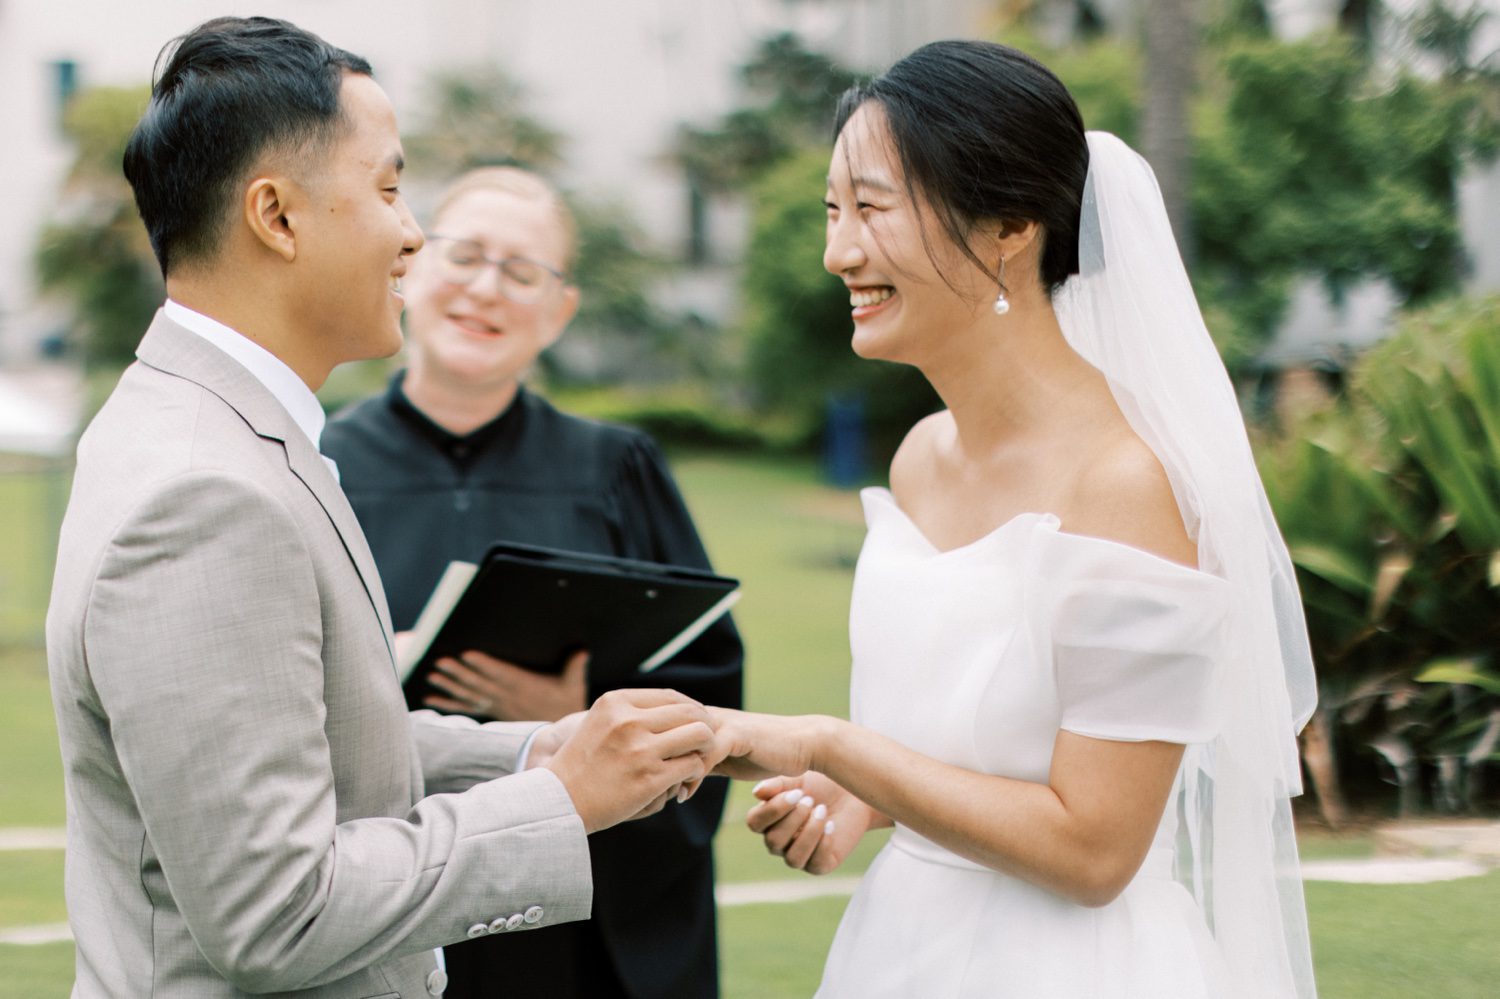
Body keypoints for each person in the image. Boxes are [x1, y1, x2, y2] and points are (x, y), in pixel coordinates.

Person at [46, 17, 717, 998]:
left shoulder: (220, 424)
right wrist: (557, 802)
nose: (413, 237)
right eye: (391, 189)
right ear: (277, 216)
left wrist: (532, 746)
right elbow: (277, 912)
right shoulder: (204, 493)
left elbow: (320, 741)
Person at [709, 40, 1319, 998]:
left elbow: (1093, 849)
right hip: (897, 951)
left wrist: (834, 747)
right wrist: (861, 800)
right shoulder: (920, 457)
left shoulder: (1129, 484)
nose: (837, 251)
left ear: (1009, 226)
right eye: (835, 211)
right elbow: (963, 749)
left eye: (870, 207)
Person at [322, 165, 744, 999]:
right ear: (413, 265)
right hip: (387, 891)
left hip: (575, 925)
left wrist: (577, 706)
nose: (487, 289)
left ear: (559, 311)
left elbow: (706, 681)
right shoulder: (320, 465)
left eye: (523, 273)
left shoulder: (616, 467)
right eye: (466, 256)